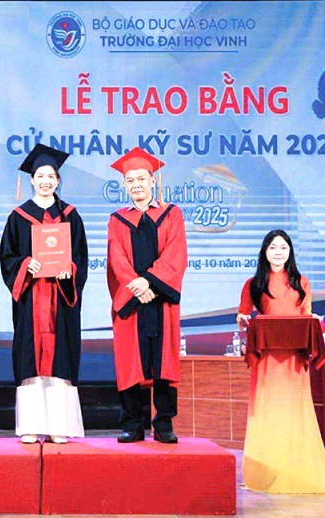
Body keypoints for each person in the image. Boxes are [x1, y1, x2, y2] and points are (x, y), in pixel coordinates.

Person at [236, 229, 325, 494]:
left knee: (294, 411)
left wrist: (314, 320)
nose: (278, 252)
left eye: (283, 247)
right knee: (267, 410)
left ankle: (297, 470)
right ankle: (263, 474)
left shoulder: (301, 281)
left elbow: (305, 315)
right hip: (266, 359)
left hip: (294, 359)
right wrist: (243, 320)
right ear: (265, 251)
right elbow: (243, 315)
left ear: (290, 251)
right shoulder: (253, 283)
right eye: (273, 247)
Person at [0, 143, 88, 444]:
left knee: (60, 358)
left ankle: (59, 426)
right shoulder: (19, 217)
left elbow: (81, 257)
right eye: (40, 175)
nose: (46, 180)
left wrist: (69, 271)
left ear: (58, 180)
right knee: (30, 360)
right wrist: (26, 265)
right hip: (31, 301)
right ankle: (31, 426)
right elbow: (7, 257)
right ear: (32, 180)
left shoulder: (71, 216)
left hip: (61, 302)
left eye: (51, 175)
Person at [106, 147, 187, 444]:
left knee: (164, 361)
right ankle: (132, 424)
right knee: (130, 362)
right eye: (130, 180)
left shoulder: (172, 214)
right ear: (124, 185)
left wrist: (149, 282)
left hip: (162, 300)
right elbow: (116, 260)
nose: (136, 184)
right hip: (131, 302)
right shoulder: (117, 220)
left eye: (142, 178)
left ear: (153, 181)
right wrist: (136, 286)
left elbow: (176, 254)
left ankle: (163, 424)